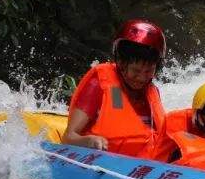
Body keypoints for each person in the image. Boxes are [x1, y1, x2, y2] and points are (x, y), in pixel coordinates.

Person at [62, 19, 176, 160]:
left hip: (142, 166)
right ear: (121, 62)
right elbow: (68, 138)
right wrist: (88, 141)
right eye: (136, 70)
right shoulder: (99, 84)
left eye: (148, 71)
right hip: (101, 162)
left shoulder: (152, 92)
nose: (141, 78)